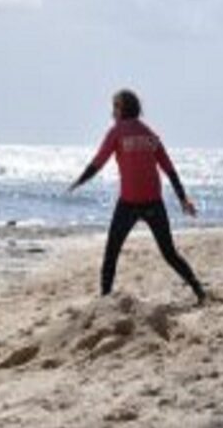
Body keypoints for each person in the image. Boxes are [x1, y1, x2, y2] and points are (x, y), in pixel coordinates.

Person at [68, 90, 206, 304]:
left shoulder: (116, 132)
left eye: (115, 107)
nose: (112, 112)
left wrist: (79, 181)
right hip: (153, 202)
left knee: (112, 252)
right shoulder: (150, 134)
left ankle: (105, 299)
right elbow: (169, 169)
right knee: (169, 253)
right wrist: (182, 199)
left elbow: (98, 162)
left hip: (129, 204)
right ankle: (199, 291)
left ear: (123, 108)